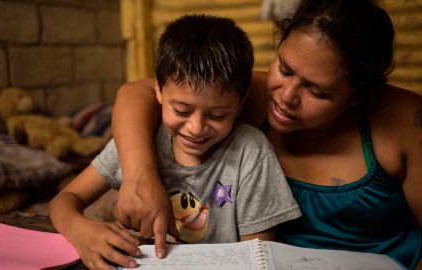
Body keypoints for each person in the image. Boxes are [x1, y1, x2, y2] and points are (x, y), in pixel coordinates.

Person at [111, 0, 422, 269]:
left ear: (358, 95)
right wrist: (140, 175)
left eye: (317, 91)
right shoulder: (251, 95)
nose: (286, 97)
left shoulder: (405, 121)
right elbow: (137, 93)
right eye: (284, 69)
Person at [50, 14, 301, 269]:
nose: (196, 127)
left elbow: (258, 256)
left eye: (216, 115)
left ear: (240, 104)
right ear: (158, 90)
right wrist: (80, 230)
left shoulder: (250, 151)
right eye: (181, 110)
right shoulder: (142, 140)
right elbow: (64, 200)